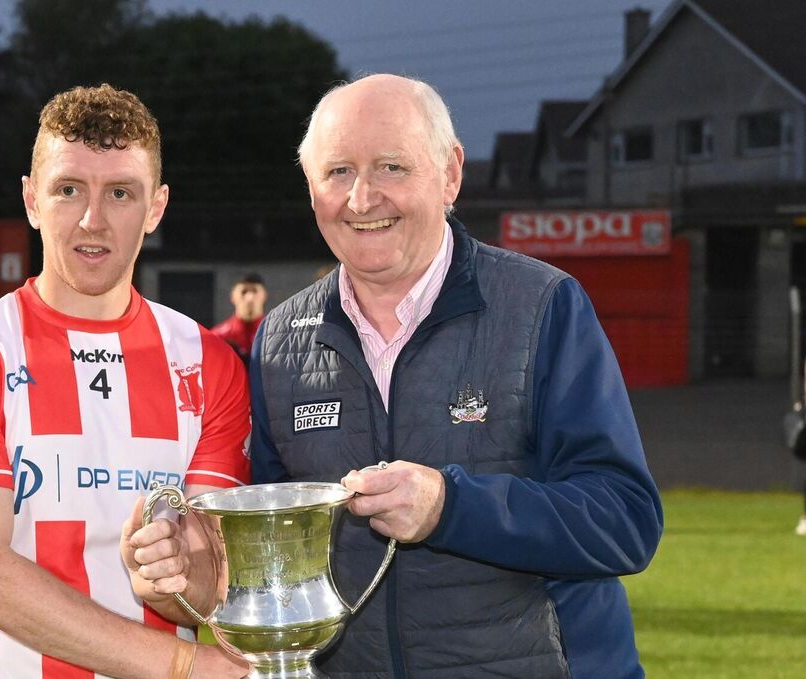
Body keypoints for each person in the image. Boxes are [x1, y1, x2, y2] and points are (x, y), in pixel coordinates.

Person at [128, 74, 663, 678]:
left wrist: (451, 506)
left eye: (390, 168)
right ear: (310, 190)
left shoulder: (543, 307)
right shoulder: (280, 342)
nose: (361, 199)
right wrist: (195, 568)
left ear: (451, 174)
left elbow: (625, 521)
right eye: (337, 173)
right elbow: (276, 562)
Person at [0, 83, 250, 678]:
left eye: (120, 193)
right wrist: (182, 665)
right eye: (68, 190)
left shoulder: (210, 363)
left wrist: (171, 581)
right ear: (32, 200)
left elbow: (213, 578)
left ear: (157, 208)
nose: (93, 219)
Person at [209, 272, 266, 366]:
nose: (250, 298)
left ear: (264, 295)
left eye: (255, 291)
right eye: (243, 292)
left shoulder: (273, 333)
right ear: (233, 296)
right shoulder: (219, 336)